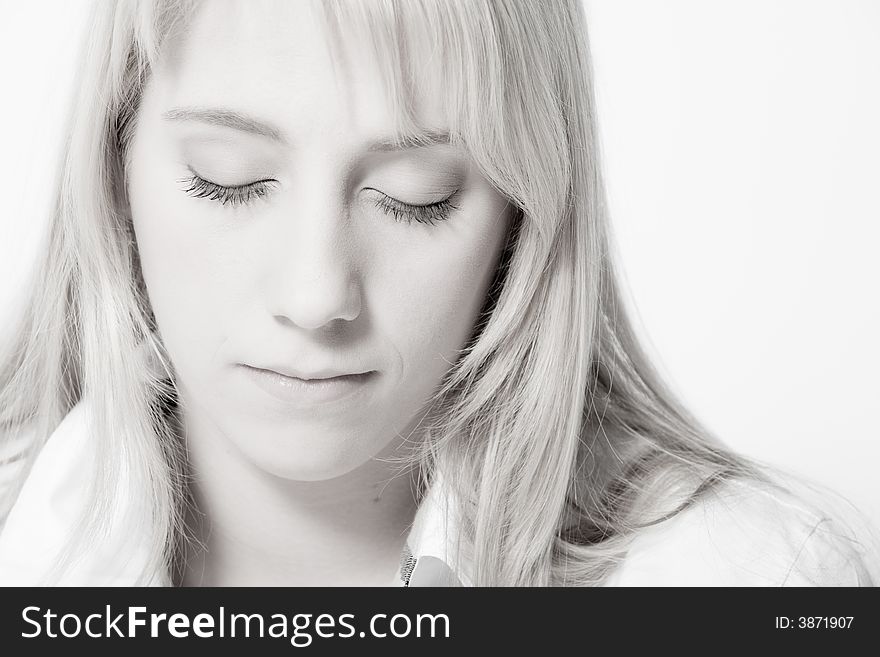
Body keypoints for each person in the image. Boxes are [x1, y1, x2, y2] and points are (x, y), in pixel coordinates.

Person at [0, 0, 876, 587]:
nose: (316, 295)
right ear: (114, 171)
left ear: (521, 216)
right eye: (228, 180)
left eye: (415, 194)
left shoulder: (741, 580)